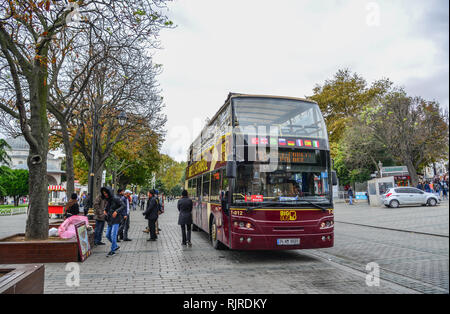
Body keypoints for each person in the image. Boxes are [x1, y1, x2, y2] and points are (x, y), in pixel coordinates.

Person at [102, 187, 126, 256]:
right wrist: (105, 211)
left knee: (113, 234)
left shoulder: (116, 198)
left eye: (106, 193)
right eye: (104, 193)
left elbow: (123, 205)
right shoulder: (108, 200)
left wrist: (116, 211)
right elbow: (107, 208)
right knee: (107, 235)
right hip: (110, 219)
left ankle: (112, 250)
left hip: (116, 219)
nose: (105, 194)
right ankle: (115, 246)